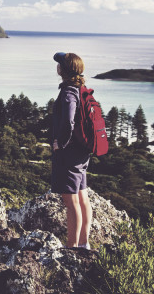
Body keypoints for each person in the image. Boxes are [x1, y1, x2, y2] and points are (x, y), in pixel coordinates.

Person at [51, 52, 92, 250]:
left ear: (63, 70)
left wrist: (62, 143)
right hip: (82, 152)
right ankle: (83, 244)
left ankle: (72, 247)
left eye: (59, 64)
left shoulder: (68, 92)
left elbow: (68, 121)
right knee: (82, 197)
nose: (57, 66)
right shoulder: (80, 88)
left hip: (70, 155)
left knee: (71, 201)